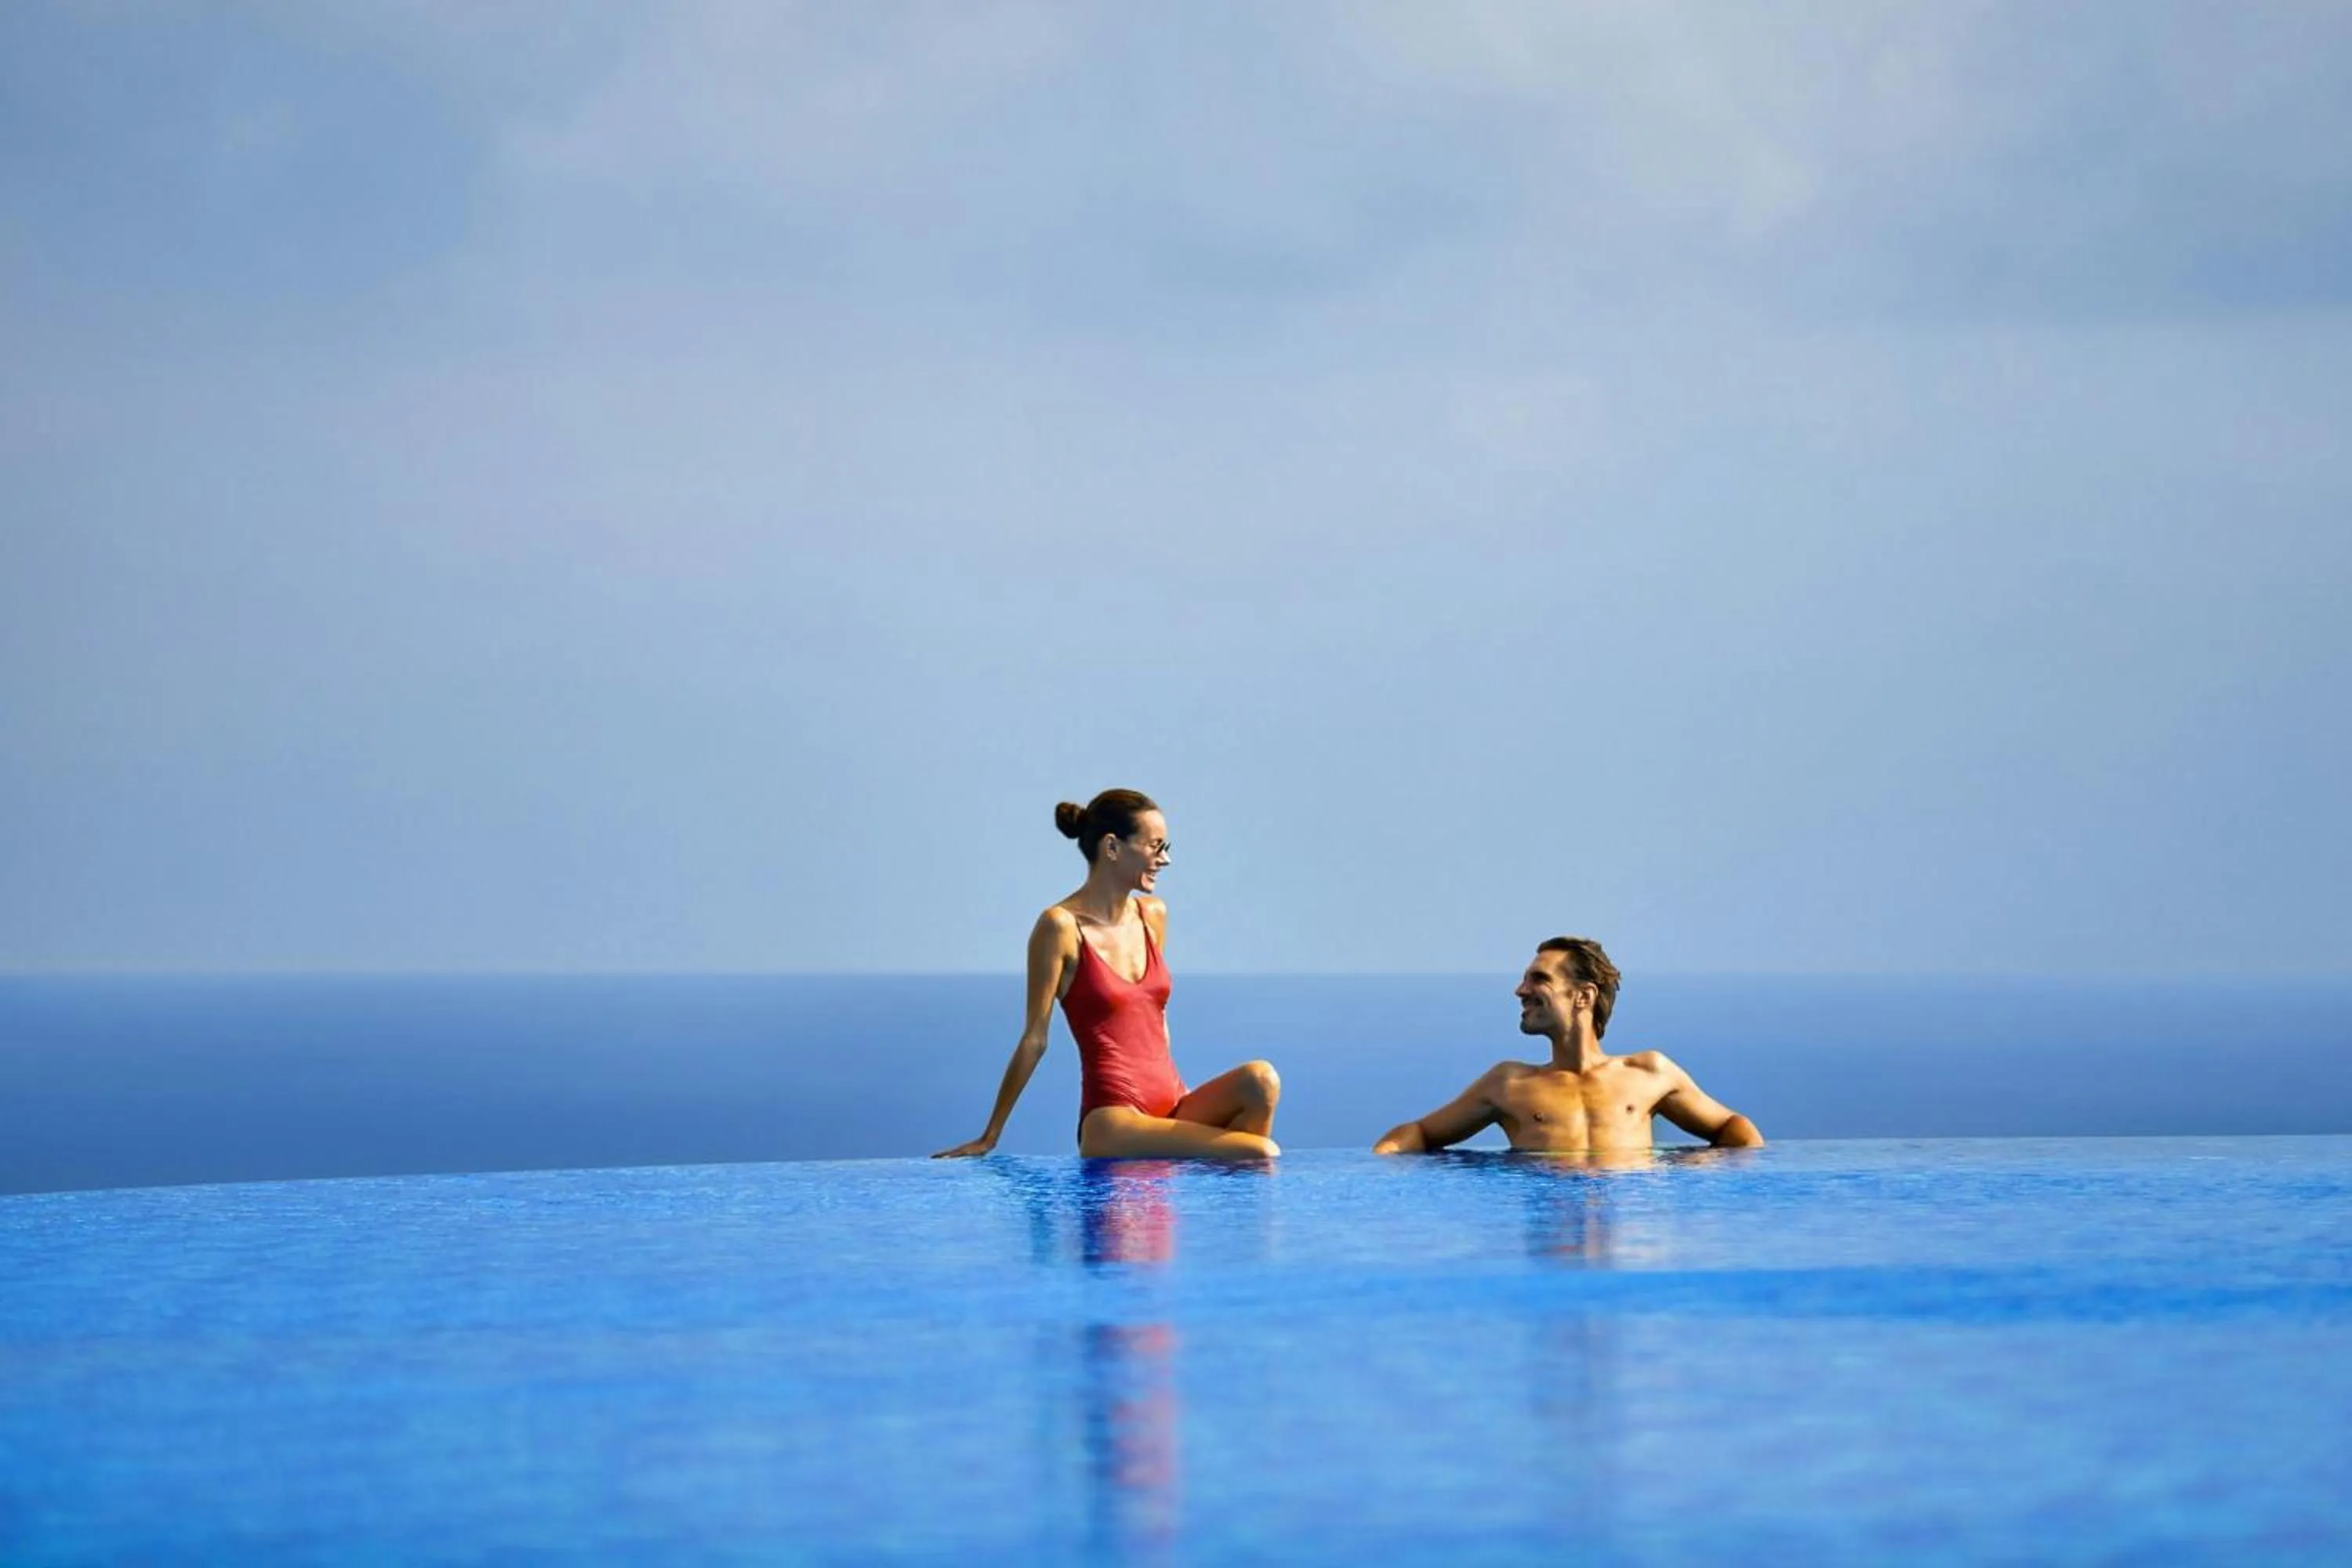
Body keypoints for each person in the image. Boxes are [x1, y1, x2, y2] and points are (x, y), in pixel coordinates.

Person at [934, 789, 1280, 1162]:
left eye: (1166, 847)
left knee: (1261, 1080)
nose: (1165, 859)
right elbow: (1035, 1038)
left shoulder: (1153, 915)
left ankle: (1212, 1188)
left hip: (1170, 1102)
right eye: (1155, 846)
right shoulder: (1059, 927)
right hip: (1114, 1119)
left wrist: (1185, 1108)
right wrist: (990, 1136)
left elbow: (1155, 1016)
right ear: (1112, 847)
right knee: (1260, 1152)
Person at [1374, 936, 1762, 1155]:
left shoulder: (1649, 1073)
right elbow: (1419, 1133)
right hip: (1548, 1249)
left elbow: (1734, 1128)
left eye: (1538, 979)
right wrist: (1378, 1171)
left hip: (1626, 1249)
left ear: (1583, 996)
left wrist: (1692, 1170)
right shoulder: (1508, 1083)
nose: (1520, 990)